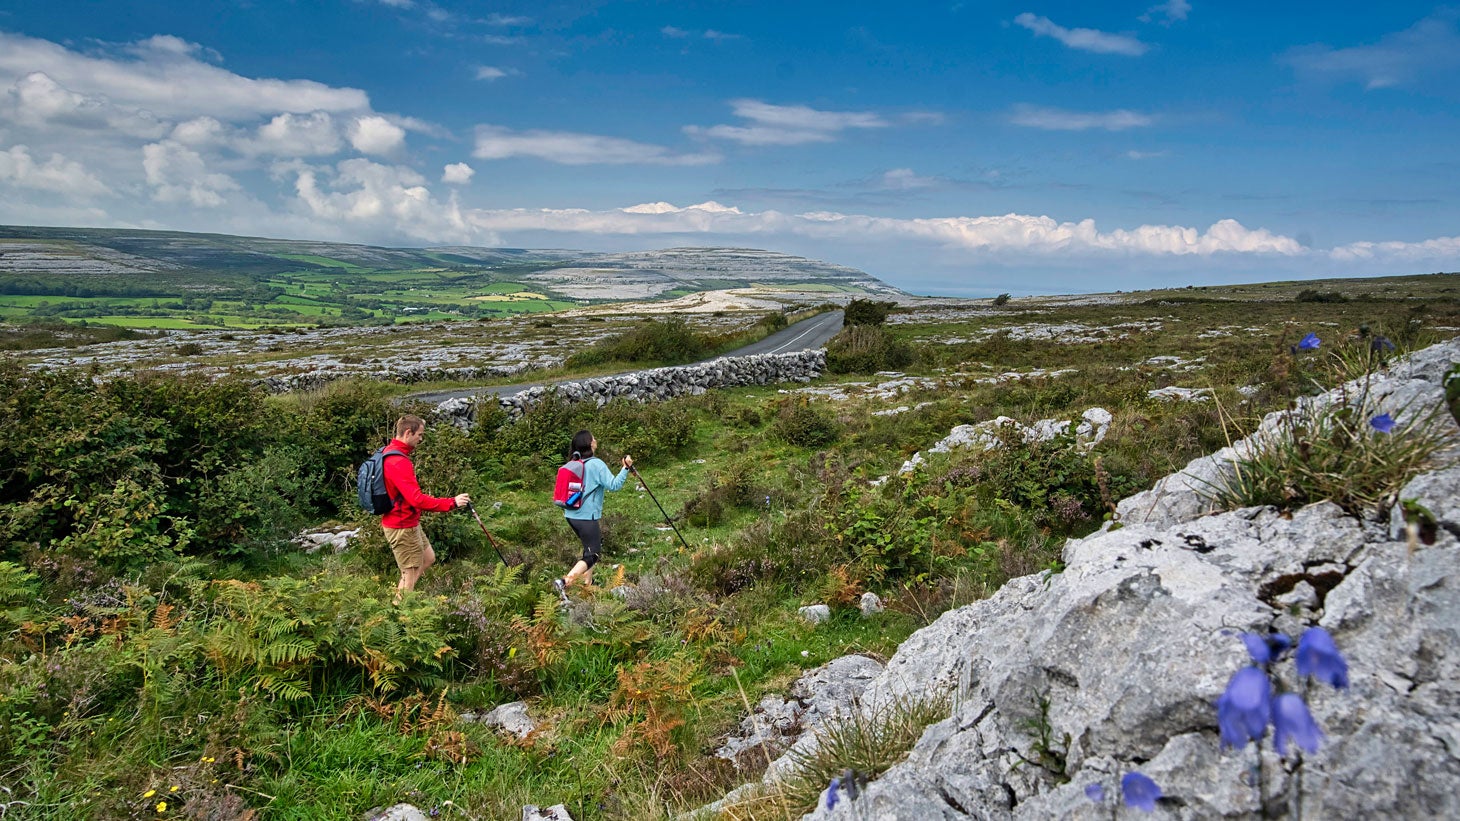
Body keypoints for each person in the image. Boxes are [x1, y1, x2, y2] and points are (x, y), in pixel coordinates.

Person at [380, 415, 470, 602]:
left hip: (407, 522)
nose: (421, 439)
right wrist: (452, 503)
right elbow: (416, 500)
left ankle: (401, 596)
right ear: (408, 432)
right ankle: (399, 615)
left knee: (428, 558)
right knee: (410, 573)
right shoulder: (398, 462)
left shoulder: (389, 452)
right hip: (402, 526)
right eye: (419, 434)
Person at [552, 429, 633, 602]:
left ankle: (587, 585)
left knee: (589, 548)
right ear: (590, 444)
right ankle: (565, 581)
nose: (596, 440)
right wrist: (625, 468)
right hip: (586, 517)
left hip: (571, 514)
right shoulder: (596, 464)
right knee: (593, 554)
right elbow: (614, 485)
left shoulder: (575, 462)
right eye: (593, 438)